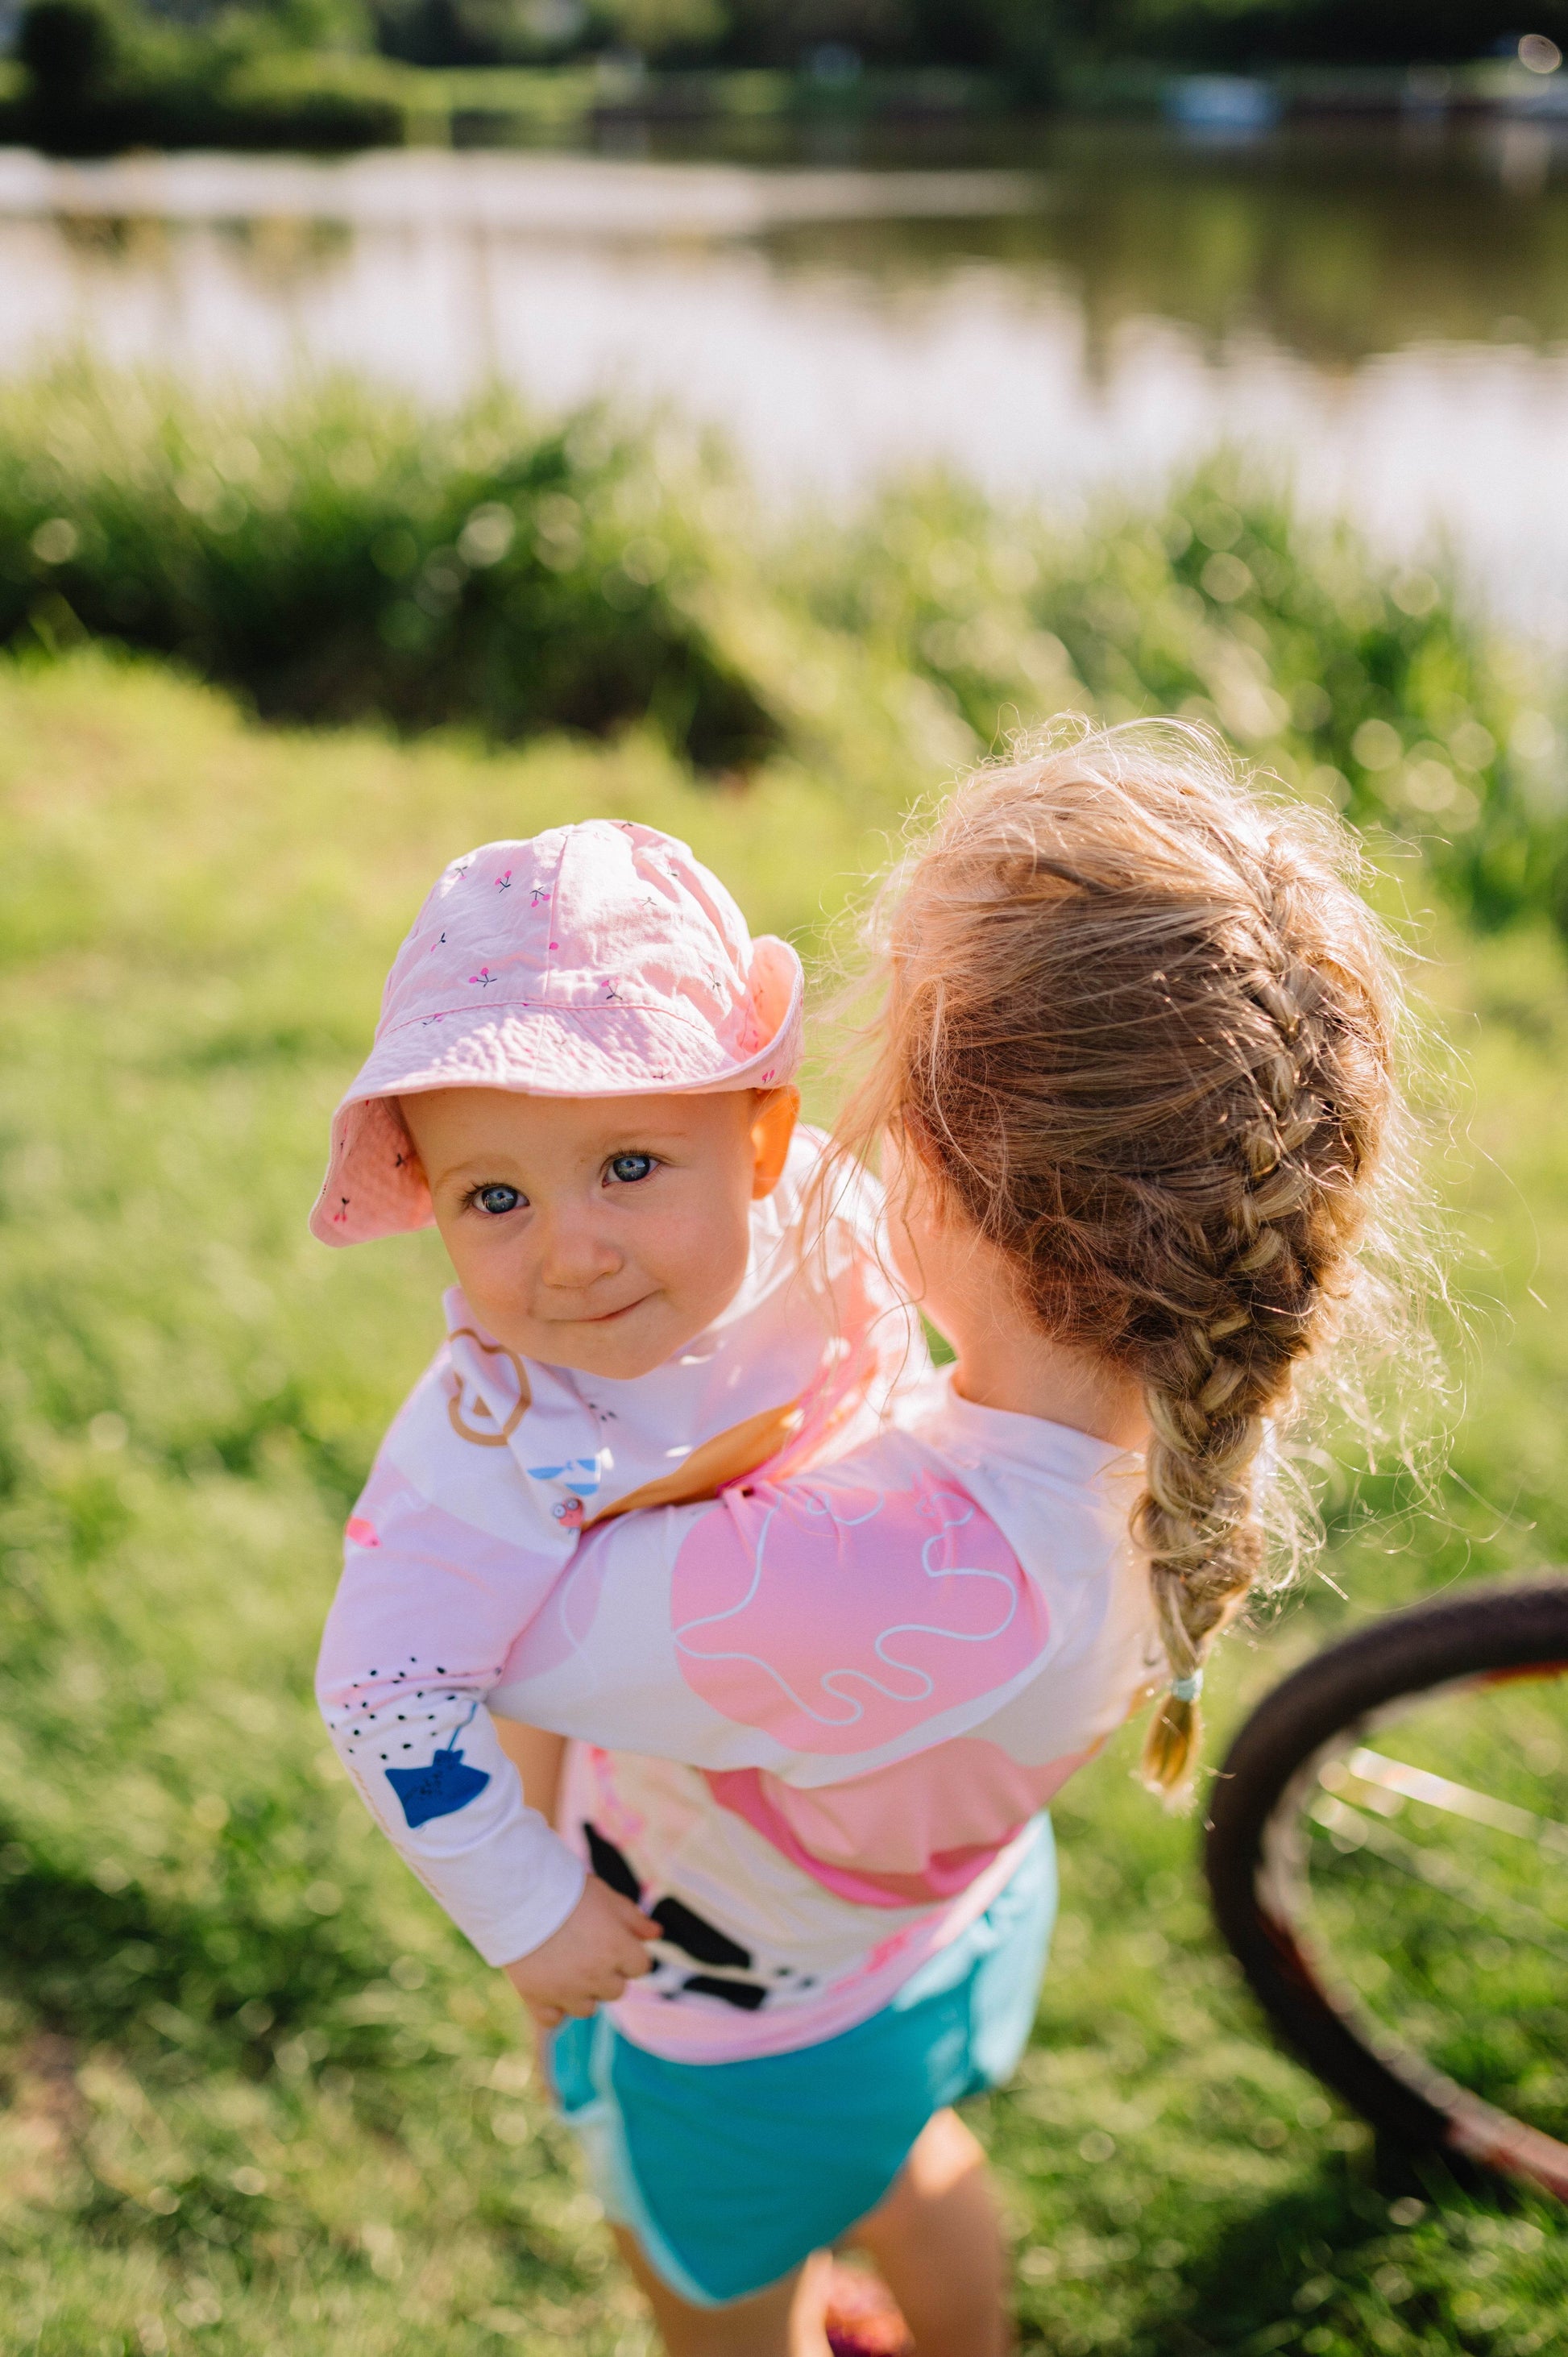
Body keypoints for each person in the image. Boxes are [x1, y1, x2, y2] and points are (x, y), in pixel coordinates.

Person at [321, 725, 1412, 2356]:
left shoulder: (821, 1594)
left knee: (710, 2296)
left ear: (961, 1191)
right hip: (936, 1942)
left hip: (744, 2044)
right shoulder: (1161, 1431)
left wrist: (507, 1418)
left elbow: (434, 1661)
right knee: (915, 2159)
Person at [313, 815, 924, 2010]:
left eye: (630, 1167)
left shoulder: (823, 1214)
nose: (574, 1255)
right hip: (647, 1763)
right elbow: (385, 1689)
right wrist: (529, 1906)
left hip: (836, 1678)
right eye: (496, 1195)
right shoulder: (497, 1436)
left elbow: (926, 1316)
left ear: (759, 1139)